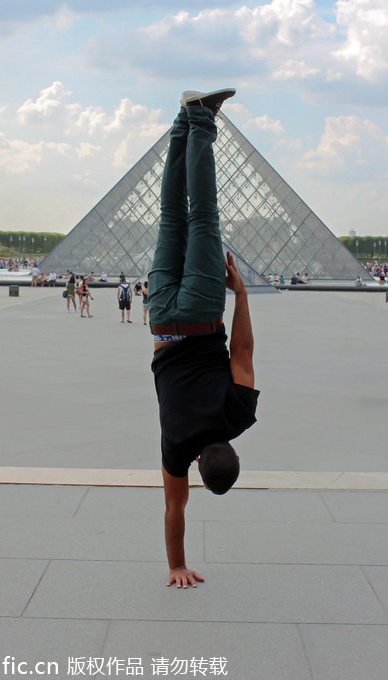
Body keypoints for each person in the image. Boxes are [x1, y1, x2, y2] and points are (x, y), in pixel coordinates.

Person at [148, 88, 259, 589]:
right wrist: (176, 566)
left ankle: (200, 119)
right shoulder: (176, 447)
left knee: (203, 215)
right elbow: (174, 510)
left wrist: (240, 293)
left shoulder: (239, 414)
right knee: (172, 217)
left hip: (202, 313)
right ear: (198, 463)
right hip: (161, 322)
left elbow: (243, 351)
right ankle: (182, 122)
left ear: (233, 450)